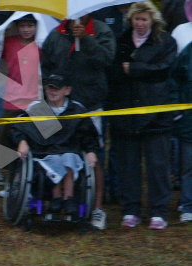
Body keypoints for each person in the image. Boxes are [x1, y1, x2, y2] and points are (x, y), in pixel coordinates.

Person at [41, 12, 115, 229]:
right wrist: (51, 92)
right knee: (55, 151)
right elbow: (45, 67)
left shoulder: (101, 30)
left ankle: (98, 209)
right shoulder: (56, 35)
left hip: (90, 104)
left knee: (94, 155)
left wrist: (86, 39)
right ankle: (56, 201)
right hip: (60, 106)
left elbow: (107, 59)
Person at [108, 1, 177, 230]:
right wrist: (129, 70)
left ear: (152, 20)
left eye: (144, 19)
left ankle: (159, 211)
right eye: (136, 19)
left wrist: (135, 69)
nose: (140, 23)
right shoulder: (121, 41)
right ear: (131, 20)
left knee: (158, 166)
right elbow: (113, 71)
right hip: (125, 116)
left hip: (156, 116)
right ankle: (131, 209)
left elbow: (164, 70)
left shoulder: (165, 41)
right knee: (129, 166)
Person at [0, 12, 54, 185]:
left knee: (48, 134)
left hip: (35, 99)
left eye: (30, 26)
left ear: (37, 27)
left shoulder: (41, 45)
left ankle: (42, 176)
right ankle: (5, 175)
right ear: (16, 27)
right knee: (7, 139)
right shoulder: (8, 42)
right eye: (22, 26)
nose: (26, 30)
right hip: (10, 99)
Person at [11, 73, 101, 221]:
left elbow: (88, 134)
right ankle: (57, 197)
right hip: (43, 153)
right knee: (55, 161)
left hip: (70, 151)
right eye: (50, 88)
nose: (52, 91)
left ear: (67, 90)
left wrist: (91, 151)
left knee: (68, 158)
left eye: (57, 88)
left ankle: (68, 198)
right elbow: (18, 127)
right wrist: (22, 141)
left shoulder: (77, 110)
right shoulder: (37, 108)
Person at [170, 2, 192, 223]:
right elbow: (174, 78)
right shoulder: (186, 47)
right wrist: (177, 109)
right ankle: (187, 204)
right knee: (187, 164)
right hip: (188, 117)